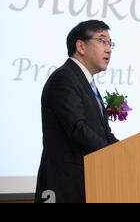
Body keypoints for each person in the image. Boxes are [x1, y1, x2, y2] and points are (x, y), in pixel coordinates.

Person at [35, 20, 119, 203]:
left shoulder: (86, 83)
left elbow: (105, 133)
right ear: (81, 46)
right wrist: (114, 154)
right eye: (102, 41)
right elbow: (77, 128)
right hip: (64, 186)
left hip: (87, 182)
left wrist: (126, 152)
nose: (109, 49)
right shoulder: (64, 78)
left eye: (110, 44)